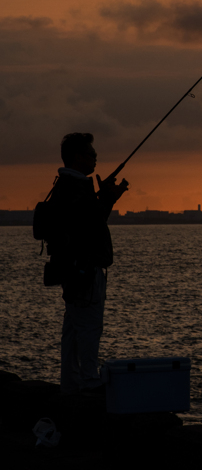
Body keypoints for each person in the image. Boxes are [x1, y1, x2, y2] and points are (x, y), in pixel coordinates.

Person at [48, 133, 129, 393]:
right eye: (91, 153)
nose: (96, 157)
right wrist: (105, 198)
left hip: (75, 271)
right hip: (83, 272)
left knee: (73, 329)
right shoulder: (75, 188)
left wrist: (105, 198)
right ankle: (88, 381)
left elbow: (89, 224)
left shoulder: (69, 186)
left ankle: (71, 384)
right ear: (77, 157)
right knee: (89, 327)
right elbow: (89, 229)